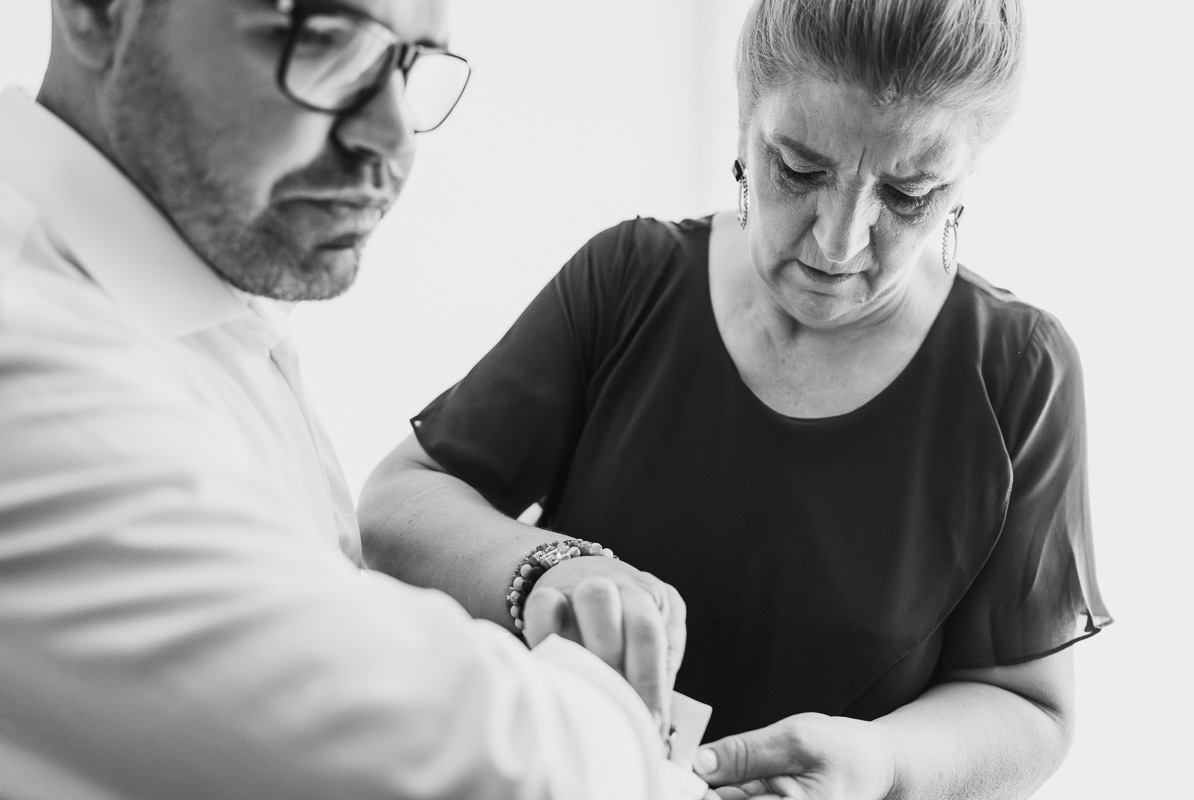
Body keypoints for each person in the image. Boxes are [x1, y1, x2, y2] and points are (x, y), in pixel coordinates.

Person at [358, 0, 1113, 797]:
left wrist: (882, 762)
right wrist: (546, 570)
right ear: (745, 128)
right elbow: (397, 503)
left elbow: (1029, 706)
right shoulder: (630, 280)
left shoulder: (1018, 372)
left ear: (966, 177)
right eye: (800, 170)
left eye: (907, 193)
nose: (839, 243)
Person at [0, 1, 705, 797]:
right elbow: (479, 765)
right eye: (326, 44)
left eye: (409, 64)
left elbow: (307, 610)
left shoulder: (204, 309)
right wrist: (639, 731)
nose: (395, 138)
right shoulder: (26, 353)